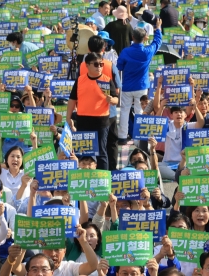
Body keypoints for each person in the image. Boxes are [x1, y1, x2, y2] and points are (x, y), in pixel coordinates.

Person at [66, 52, 119, 170]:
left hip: (101, 120)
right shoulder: (80, 80)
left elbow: (116, 99)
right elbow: (72, 99)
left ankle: (103, 180)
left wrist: (112, 100)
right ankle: (81, 177)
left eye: (101, 64)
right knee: (82, 152)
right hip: (83, 120)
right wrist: (68, 117)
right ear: (87, 65)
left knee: (101, 151)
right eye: (96, 64)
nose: (99, 67)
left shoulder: (106, 80)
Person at [116, 18, 162, 146]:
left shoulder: (125, 51)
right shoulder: (147, 51)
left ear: (132, 37)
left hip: (127, 86)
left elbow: (119, 66)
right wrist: (158, 28)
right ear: (145, 37)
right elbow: (157, 42)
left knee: (124, 110)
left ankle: (122, 137)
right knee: (140, 112)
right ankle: (138, 139)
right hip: (141, 86)